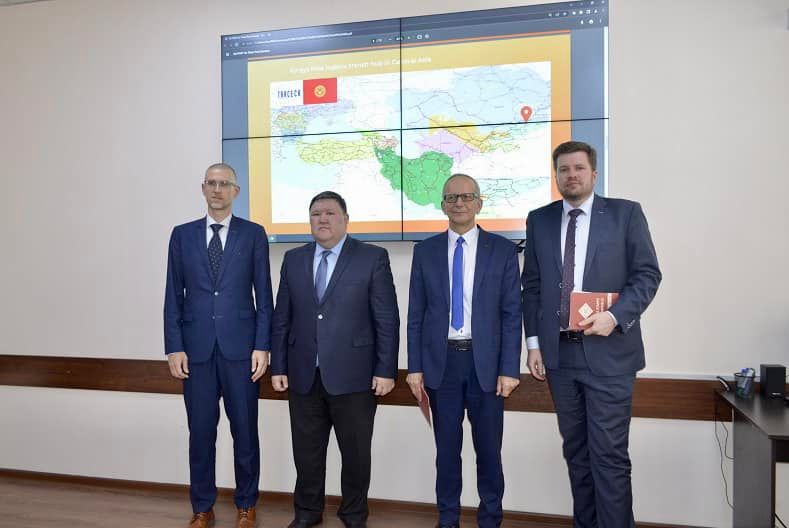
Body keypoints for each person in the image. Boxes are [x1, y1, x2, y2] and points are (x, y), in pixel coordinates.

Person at [522, 141, 661, 527]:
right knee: (577, 455)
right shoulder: (539, 220)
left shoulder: (625, 214)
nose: (571, 175)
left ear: (594, 174)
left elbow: (648, 275)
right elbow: (532, 286)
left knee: (609, 456)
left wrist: (615, 316)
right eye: (563, 169)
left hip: (610, 356)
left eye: (579, 168)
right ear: (556, 176)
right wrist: (533, 344)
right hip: (559, 357)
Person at [270, 191, 399, 528]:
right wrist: (278, 366)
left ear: (345, 219)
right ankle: (307, 512)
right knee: (306, 453)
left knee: (355, 454)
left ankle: (354, 514)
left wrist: (386, 369)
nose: (322, 219)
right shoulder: (294, 259)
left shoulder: (372, 257)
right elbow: (282, 316)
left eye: (329, 213)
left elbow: (386, 319)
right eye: (316, 214)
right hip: (303, 375)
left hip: (355, 376)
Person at [406, 173, 522, 528]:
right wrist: (414, 367)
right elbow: (416, 314)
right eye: (451, 197)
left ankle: (490, 519)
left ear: (479, 203)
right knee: (446, 453)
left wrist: (509, 369)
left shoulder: (502, 250)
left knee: (489, 452)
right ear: (442, 205)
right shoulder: (425, 251)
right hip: (441, 365)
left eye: (466, 196)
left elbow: (511, 314)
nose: (459, 203)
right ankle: (448, 519)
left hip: (486, 366)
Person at [164, 163, 273, 528]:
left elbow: (264, 296)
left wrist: (262, 346)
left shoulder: (253, 234)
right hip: (195, 353)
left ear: (235, 191)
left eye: (224, 184)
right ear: (203, 188)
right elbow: (173, 296)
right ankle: (202, 507)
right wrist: (174, 347)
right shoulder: (182, 235)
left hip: (242, 352)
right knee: (200, 434)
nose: (217, 189)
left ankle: (246, 504)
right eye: (211, 183)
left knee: (245, 432)